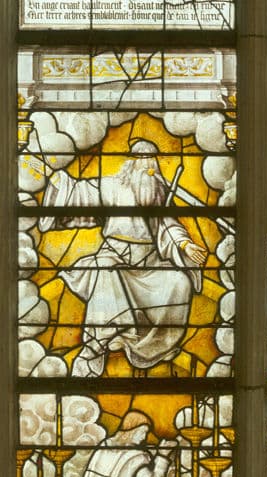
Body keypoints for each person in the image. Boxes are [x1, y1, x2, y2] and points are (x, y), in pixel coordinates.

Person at [39, 139, 208, 376]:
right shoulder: (111, 186)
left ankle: (155, 346)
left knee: (179, 282)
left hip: (150, 264)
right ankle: (95, 347)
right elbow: (83, 195)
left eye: (151, 160)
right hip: (115, 256)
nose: (147, 165)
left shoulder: (158, 192)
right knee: (106, 271)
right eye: (141, 159)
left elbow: (167, 225)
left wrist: (185, 244)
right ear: (131, 162)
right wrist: (59, 181)